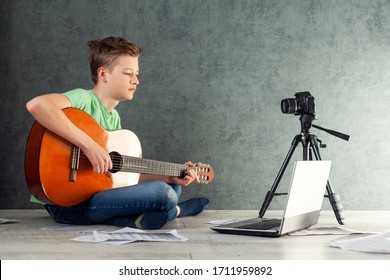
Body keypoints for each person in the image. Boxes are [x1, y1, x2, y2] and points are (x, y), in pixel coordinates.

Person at [26, 36, 209, 230]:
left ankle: (127, 219)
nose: (136, 81)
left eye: (137, 74)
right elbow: (37, 105)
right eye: (128, 73)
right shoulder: (84, 99)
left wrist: (168, 177)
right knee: (164, 195)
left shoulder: (114, 119)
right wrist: (89, 146)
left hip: (98, 198)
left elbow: (123, 179)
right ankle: (175, 211)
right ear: (103, 74)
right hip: (66, 203)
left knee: (173, 188)